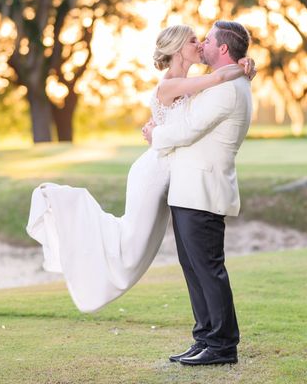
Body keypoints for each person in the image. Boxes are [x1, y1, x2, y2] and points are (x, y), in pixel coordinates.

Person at [26, 24, 255, 313]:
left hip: (174, 177)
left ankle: (211, 337)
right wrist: (243, 67)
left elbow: (210, 93)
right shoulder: (172, 84)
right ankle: (65, 205)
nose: (200, 44)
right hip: (153, 172)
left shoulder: (193, 82)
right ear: (177, 49)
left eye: (204, 39)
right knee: (131, 245)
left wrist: (244, 65)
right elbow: (220, 78)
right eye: (194, 40)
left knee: (149, 248)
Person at [143, 20, 253, 366]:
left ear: (222, 49)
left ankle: (222, 346)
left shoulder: (227, 89)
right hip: (188, 188)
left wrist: (154, 135)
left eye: (207, 40)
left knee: (208, 268)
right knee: (193, 268)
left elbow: (188, 130)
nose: (202, 44)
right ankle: (204, 337)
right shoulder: (220, 84)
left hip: (203, 189)